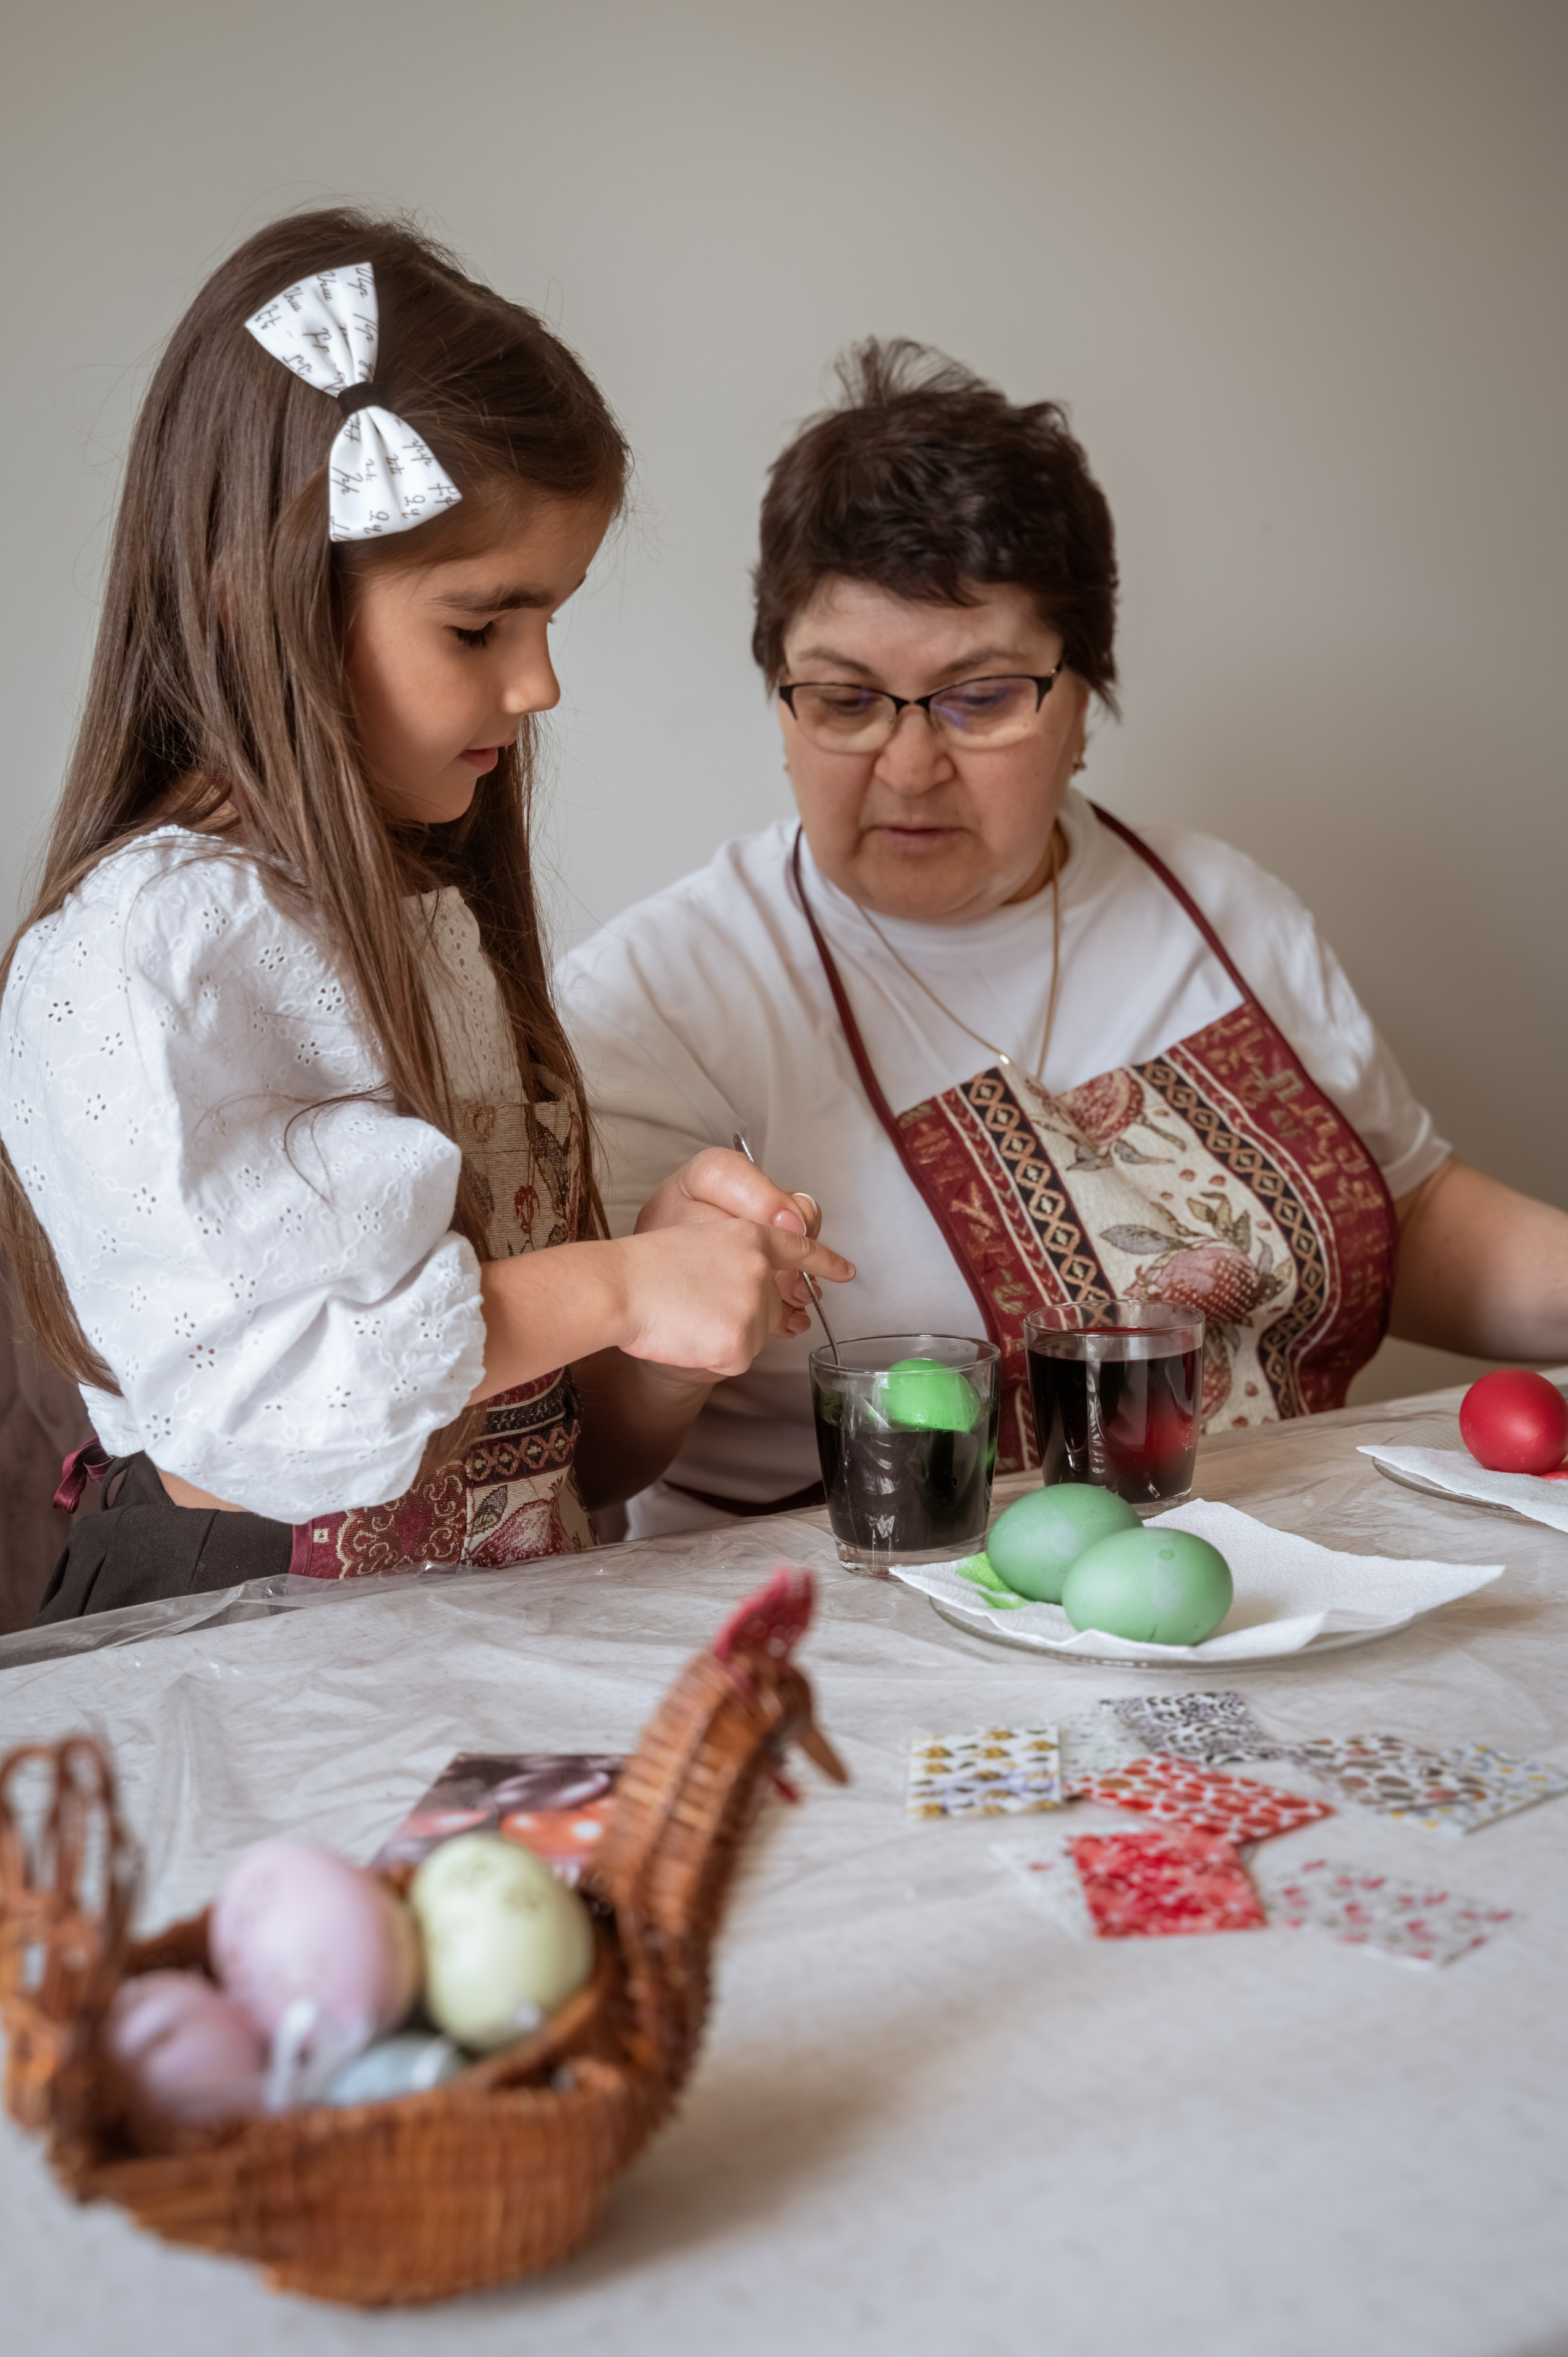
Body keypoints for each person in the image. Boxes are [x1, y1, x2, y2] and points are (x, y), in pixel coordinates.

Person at [558, 340, 1568, 1537]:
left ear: (1081, 697)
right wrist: (667, 1352)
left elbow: (1405, 1212)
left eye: (977, 697)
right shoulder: (660, 993)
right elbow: (590, 1462)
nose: (909, 762)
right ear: (779, 701)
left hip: (1271, 1577)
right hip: (871, 1619)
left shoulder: (1216, 906)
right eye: (843, 699)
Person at [0, 210, 851, 1620]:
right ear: (249, 598)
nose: (538, 687)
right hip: (239, 1659)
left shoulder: (436, 918)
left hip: (481, 1644)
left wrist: (670, 1312)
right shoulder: (157, 948)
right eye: (479, 626)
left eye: (551, 621)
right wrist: (617, 1286)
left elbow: (580, 1467)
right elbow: (252, 1433)